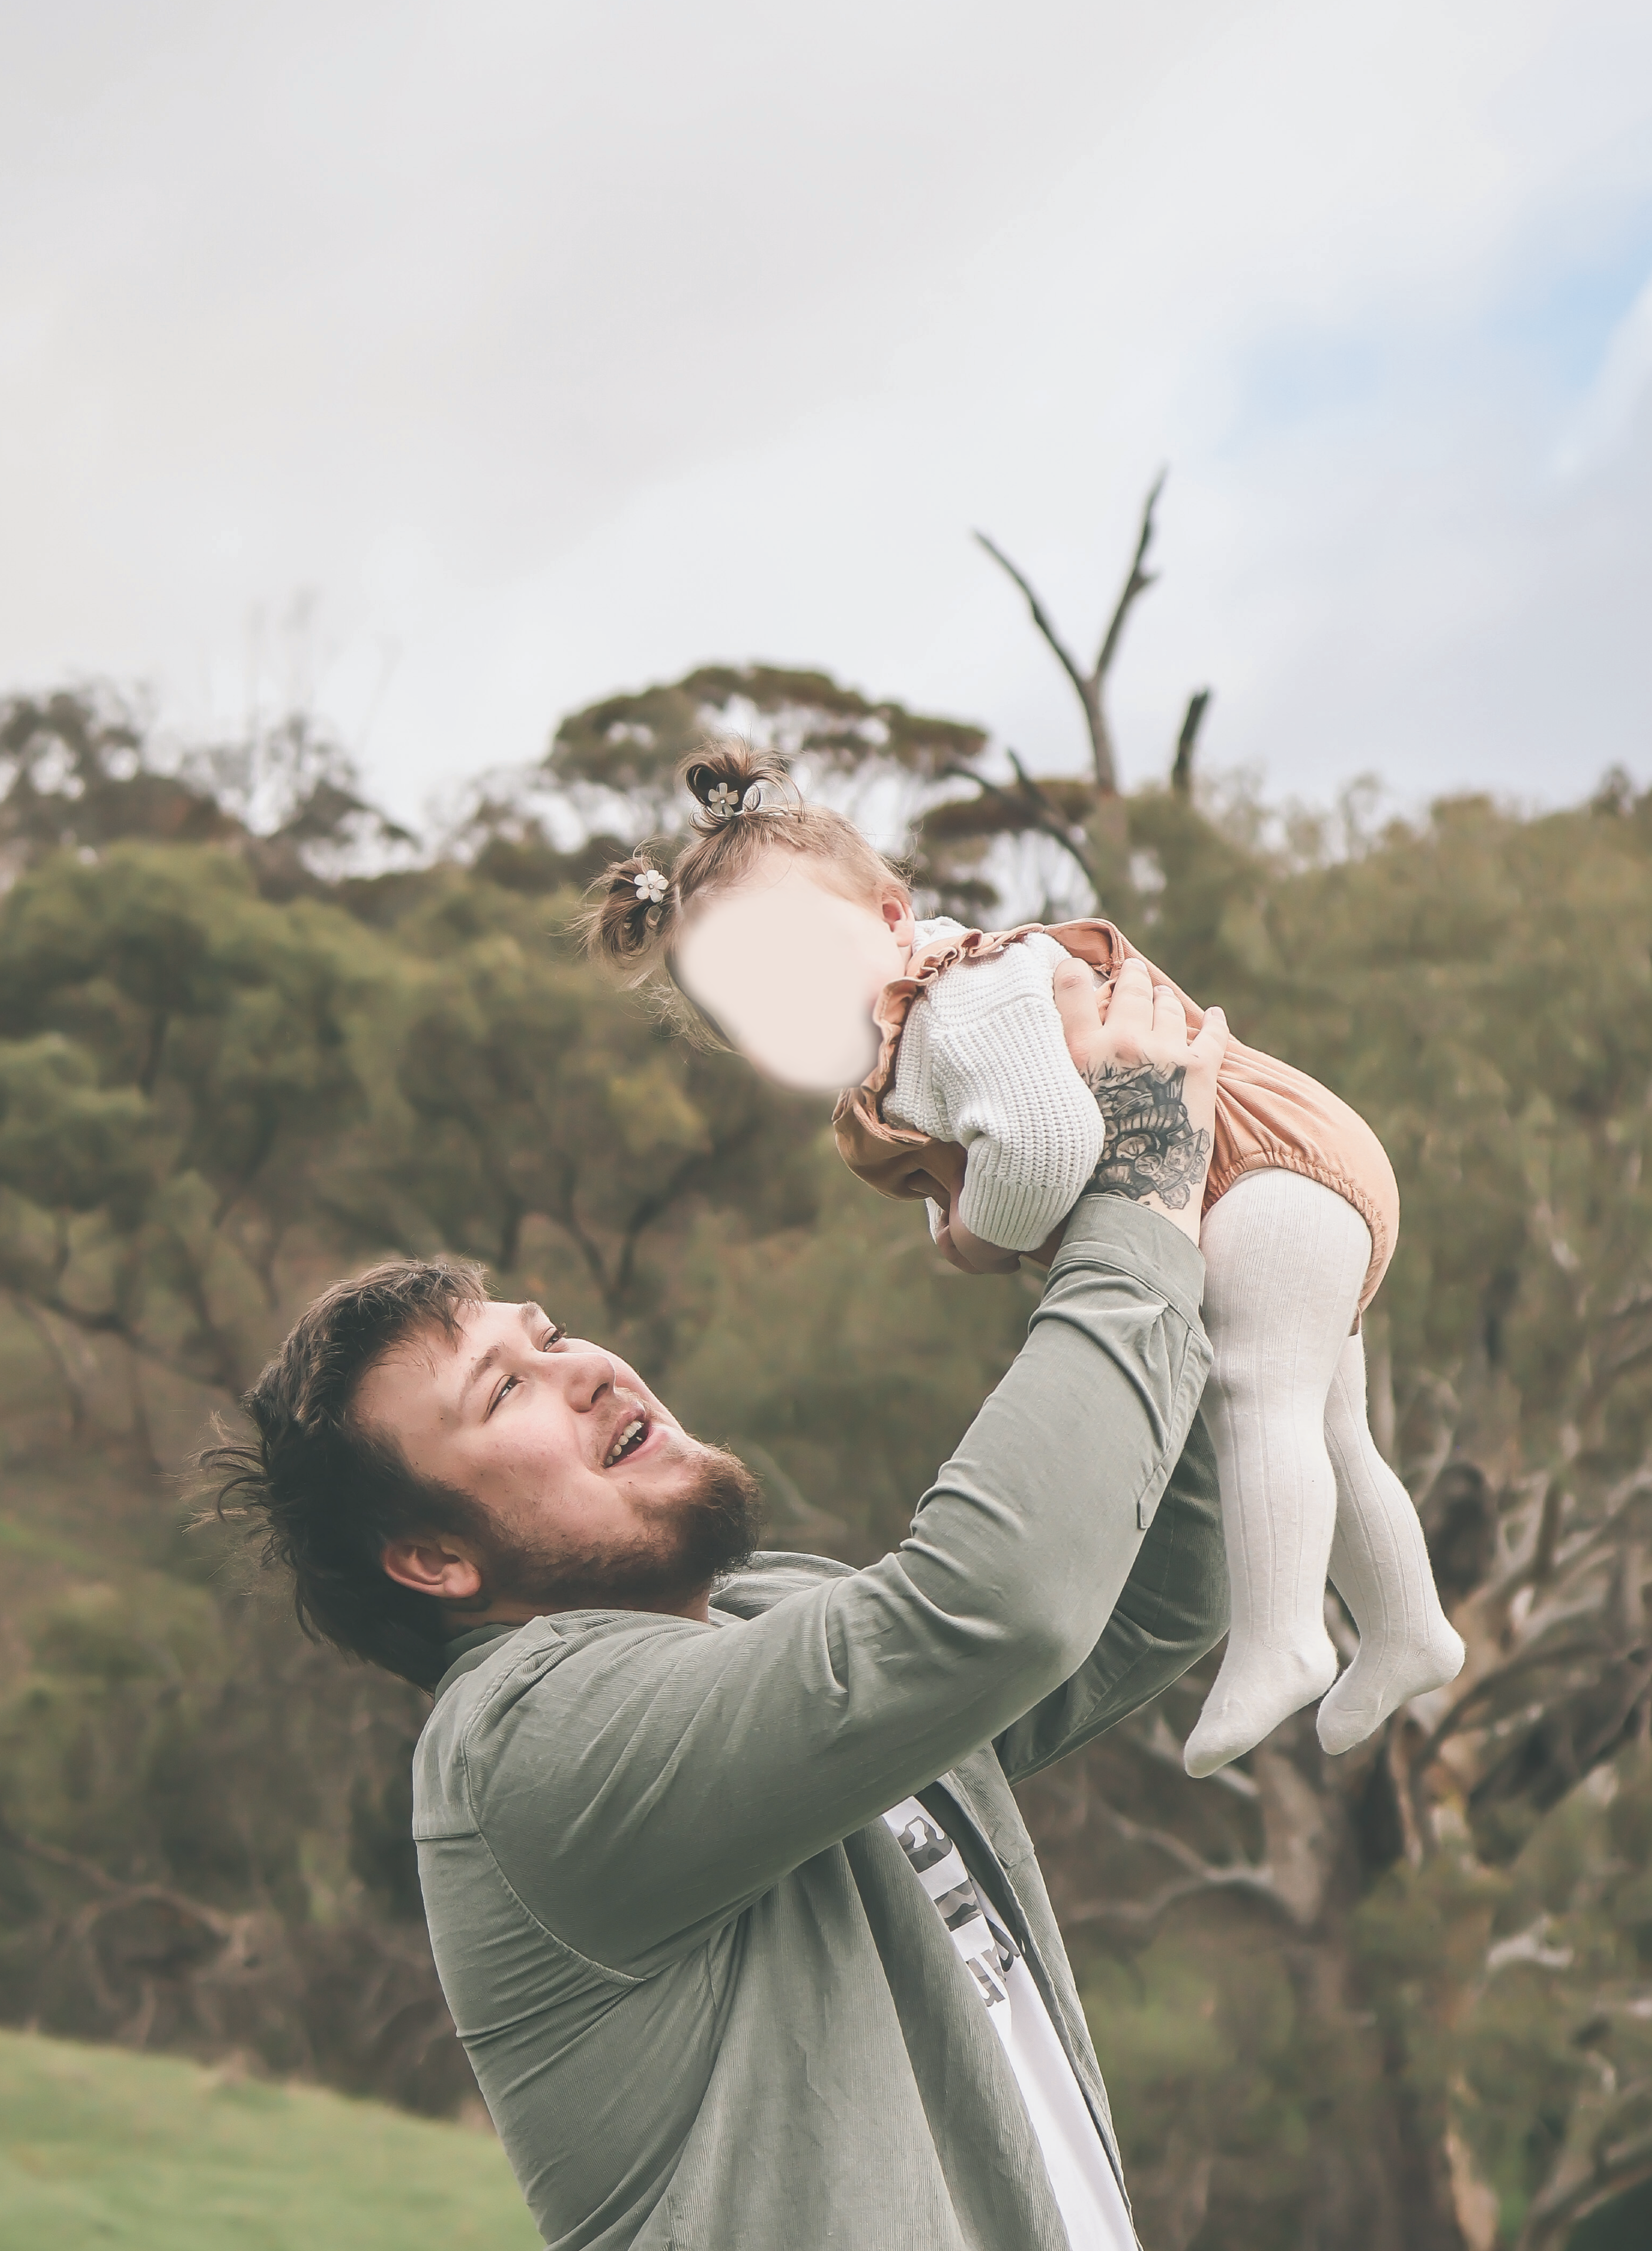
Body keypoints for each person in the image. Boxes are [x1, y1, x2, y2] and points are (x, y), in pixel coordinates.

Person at [207, 963, 1231, 2251]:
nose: (584, 1360)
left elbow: (1147, 1595)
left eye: (551, 1328)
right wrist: (1139, 1187)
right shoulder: (526, 1738)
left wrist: (1224, 1200)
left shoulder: (767, 1639)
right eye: (502, 1390)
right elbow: (993, 1602)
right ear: (433, 1557)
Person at [582, 739, 1464, 1779]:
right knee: (1331, 1425)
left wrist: (973, 1240)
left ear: (891, 916)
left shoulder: (963, 998)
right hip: (1285, 1172)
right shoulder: (916, 1042)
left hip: (1256, 1175)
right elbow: (997, 1137)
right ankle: (1409, 1627)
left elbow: (1044, 1149)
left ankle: (1283, 1639)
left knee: (1254, 1399)